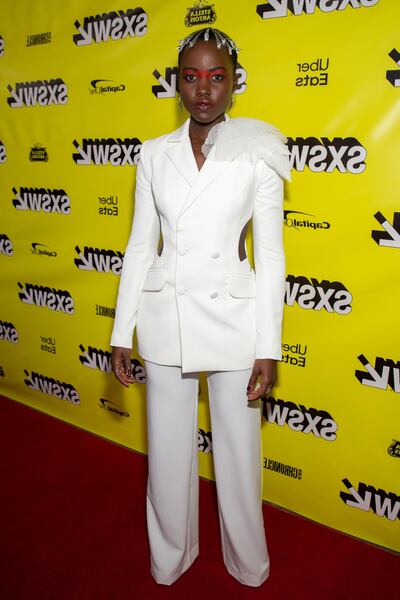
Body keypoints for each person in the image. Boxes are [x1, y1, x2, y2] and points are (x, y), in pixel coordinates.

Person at [110, 27, 291, 587]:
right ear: (177, 84)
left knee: (239, 457)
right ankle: (170, 558)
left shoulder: (260, 149)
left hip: (235, 320)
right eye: (191, 77)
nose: (204, 90)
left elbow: (270, 254)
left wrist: (268, 345)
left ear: (235, 83)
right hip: (165, 316)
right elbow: (141, 244)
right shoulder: (153, 155)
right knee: (166, 455)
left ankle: (248, 562)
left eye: (217, 77)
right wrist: (122, 330)